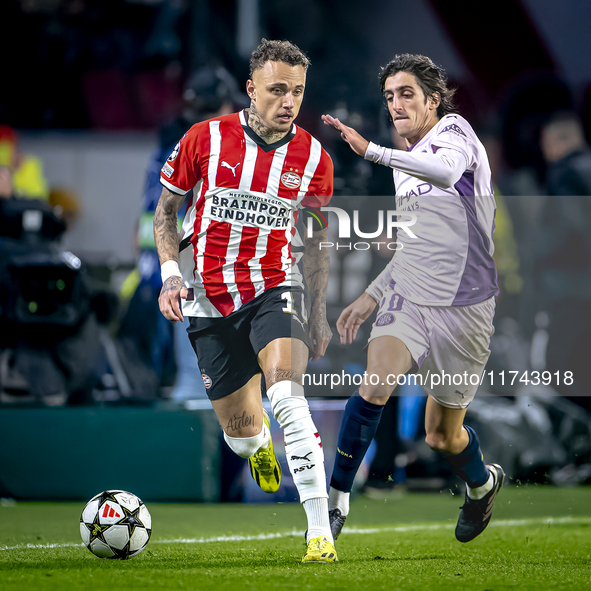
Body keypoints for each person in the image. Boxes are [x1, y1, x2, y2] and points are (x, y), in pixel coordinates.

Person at [154, 39, 337, 563]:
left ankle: (319, 532)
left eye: (298, 92)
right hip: (208, 303)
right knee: (241, 434)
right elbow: (166, 214)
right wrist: (171, 276)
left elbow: (317, 238)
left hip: (274, 291)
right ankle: (257, 449)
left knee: (287, 397)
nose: (289, 102)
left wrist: (319, 313)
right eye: (278, 89)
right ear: (251, 89)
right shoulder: (203, 138)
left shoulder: (314, 158)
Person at [322, 53, 504, 543]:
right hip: (413, 295)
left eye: (406, 94)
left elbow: (444, 174)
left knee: (441, 435)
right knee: (375, 384)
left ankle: (482, 484)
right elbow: (417, 250)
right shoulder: (404, 160)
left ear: (433, 100)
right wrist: (373, 294)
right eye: (389, 96)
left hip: (467, 305)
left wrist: (372, 151)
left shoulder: (455, 134)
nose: (396, 104)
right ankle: (334, 505)